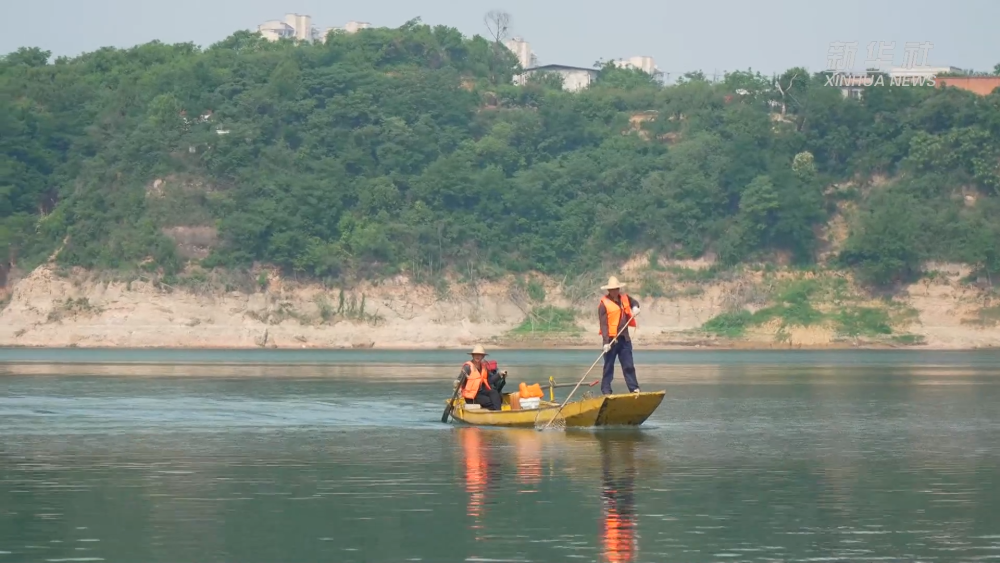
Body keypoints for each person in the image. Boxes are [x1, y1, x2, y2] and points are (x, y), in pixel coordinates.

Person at [597, 276, 641, 395]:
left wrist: (635, 307)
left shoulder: (624, 298)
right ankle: (606, 390)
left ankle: (634, 388)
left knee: (628, 365)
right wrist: (606, 342)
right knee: (608, 366)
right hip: (611, 340)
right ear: (609, 291)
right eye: (612, 289)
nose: (615, 291)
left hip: (624, 339)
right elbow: (603, 324)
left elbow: (634, 302)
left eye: (616, 289)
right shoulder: (603, 304)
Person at [454, 344, 506, 411]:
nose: (477, 356)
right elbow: (459, 381)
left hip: (481, 392)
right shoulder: (467, 367)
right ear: (472, 355)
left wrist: (499, 374)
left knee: (494, 393)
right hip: (472, 395)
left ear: (483, 356)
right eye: (475, 354)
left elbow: (489, 381)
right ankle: (494, 412)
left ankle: (498, 412)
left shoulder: (483, 367)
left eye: (480, 354)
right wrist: (458, 387)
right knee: (491, 403)